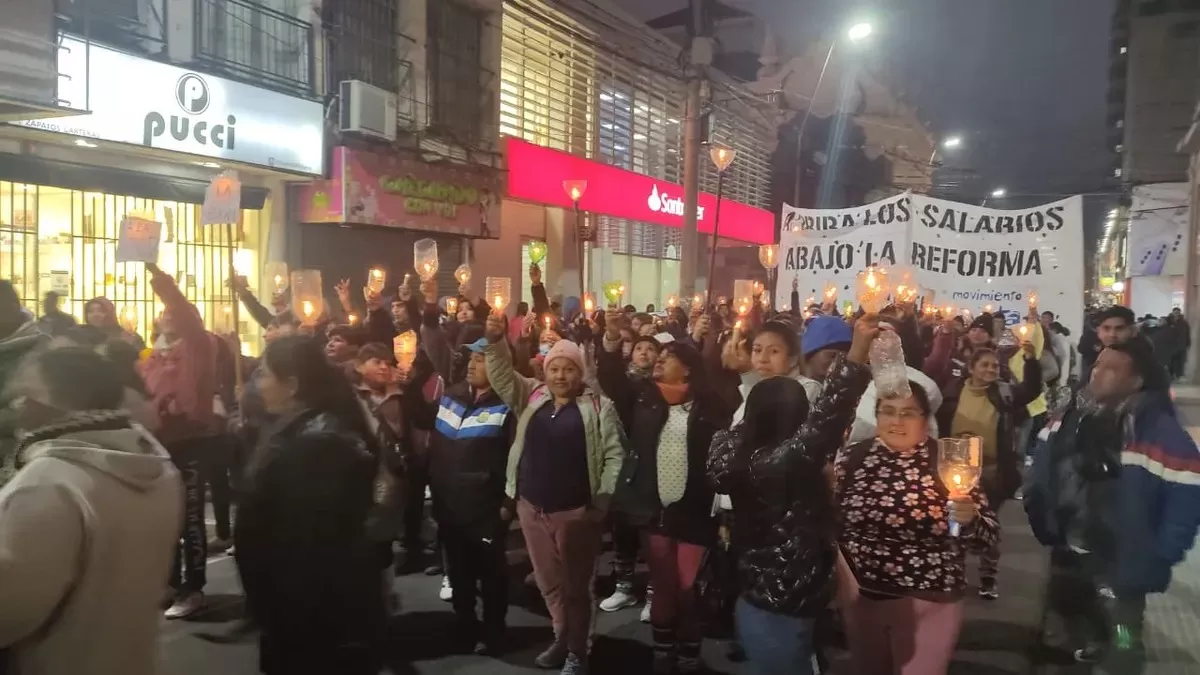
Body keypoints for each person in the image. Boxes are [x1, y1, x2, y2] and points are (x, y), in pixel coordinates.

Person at [706, 314, 878, 675]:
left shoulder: (732, 450)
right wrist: (858, 353)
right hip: (787, 591)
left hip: (754, 586)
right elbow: (826, 420)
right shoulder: (782, 462)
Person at [0, 346, 181, 675]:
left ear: (48, 402)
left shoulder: (49, 483)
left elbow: (9, 611)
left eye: (24, 394)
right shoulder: (156, 465)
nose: (16, 404)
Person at [1025, 338, 1200, 668]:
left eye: (1110, 368)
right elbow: (1042, 464)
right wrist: (1040, 513)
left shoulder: (1156, 430)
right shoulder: (1071, 414)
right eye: (1098, 364)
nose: (1097, 372)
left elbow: (1187, 496)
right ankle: (1093, 645)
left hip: (1121, 563)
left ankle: (1122, 658)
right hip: (1069, 547)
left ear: (1135, 381)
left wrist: (1160, 553)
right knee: (1075, 621)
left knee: (1123, 634)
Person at [483, 313, 624, 675]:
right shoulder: (533, 395)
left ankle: (579, 650)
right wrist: (497, 342)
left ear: (580, 373)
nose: (560, 376)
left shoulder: (599, 408)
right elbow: (500, 376)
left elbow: (615, 455)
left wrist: (602, 501)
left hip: (576, 513)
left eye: (568, 369)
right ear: (544, 371)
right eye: (554, 368)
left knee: (577, 588)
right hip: (532, 507)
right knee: (548, 585)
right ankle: (563, 638)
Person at [235, 335, 384, 675]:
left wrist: (273, 608)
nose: (258, 383)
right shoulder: (303, 431)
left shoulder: (317, 447)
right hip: (313, 611)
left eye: (264, 374)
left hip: (313, 618)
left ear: (291, 385)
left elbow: (303, 545)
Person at [837, 382, 1000, 675]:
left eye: (908, 413)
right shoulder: (853, 459)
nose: (896, 421)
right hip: (864, 600)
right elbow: (832, 524)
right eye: (888, 411)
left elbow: (987, 539)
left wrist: (967, 521)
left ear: (926, 419)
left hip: (929, 600)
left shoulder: (949, 462)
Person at [599, 337, 732, 674]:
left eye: (669, 357)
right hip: (654, 510)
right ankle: (662, 653)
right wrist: (613, 343)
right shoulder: (644, 397)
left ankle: (688, 653)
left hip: (693, 512)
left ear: (687, 367)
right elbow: (612, 381)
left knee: (689, 589)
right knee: (664, 585)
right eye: (660, 355)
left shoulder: (710, 406)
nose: (659, 360)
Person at [138, 263, 217, 619]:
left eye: (174, 313)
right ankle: (168, 581)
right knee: (164, 517)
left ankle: (193, 587)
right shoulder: (151, 357)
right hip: (158, 444)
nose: (168, 317)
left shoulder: (199, 347)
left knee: (190, 518)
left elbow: (185, 315)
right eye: (163, 314)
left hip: (190, 442)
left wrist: (162, 282)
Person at [429, 337, 516, 655]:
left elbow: (516, 460)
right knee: (460, 576)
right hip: (450, 506)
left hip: (486, 510)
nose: (472, 364)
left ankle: (494, 631)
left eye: (481, 360)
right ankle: (464, 626)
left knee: (492, 577)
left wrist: (507, 506)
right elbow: (427, 435)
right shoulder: (451, 396)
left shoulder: (508, 406)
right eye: (472, 359)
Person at [935, 344, 1041, 599]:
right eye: (984, 365)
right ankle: (954, 572)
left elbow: (1032, 389)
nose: (991, 369)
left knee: (988, 525)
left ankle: (988, 576)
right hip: (954, 472)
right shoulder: (951, 393)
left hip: (992, 472)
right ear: (971, 368)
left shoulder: (1004, 393)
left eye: (995, 365)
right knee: (954, 525)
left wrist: (1030, 360)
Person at [1077, 305, 1135, 383]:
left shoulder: (1134, 361)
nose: (1112, 334)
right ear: (1098, 331)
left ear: (1133, 330)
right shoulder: (1105, 353)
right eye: (1106, 328)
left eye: (1119, 328)